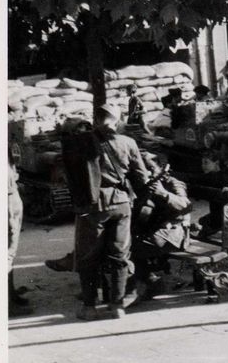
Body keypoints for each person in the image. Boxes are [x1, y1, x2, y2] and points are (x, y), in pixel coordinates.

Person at [66, 103, 151, 320]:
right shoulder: (128, 142)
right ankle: (117, 306)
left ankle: (89, 307)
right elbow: (141, 178)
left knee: (88, 256)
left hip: (93, 206)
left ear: (96, 118)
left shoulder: (82, 142)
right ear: (118, 119)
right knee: (119, 255)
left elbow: (71, 173)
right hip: (121, 204)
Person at [127, 152, 192, 304]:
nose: (148, 173)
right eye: (144, 169)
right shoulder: (147, 185)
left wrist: (164, 194)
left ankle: (137, 288)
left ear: (162, 168)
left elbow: (186, 206)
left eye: (151, 168)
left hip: (175, 234)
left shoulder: (173, 183)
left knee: (129, 248)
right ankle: (150, 281)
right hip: (156, 233)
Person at [9, 147, 33, 316]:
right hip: (5, 197)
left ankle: (10, 294)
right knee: (6, 253)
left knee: (10, 253)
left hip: (11, 194)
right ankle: (6, 304)